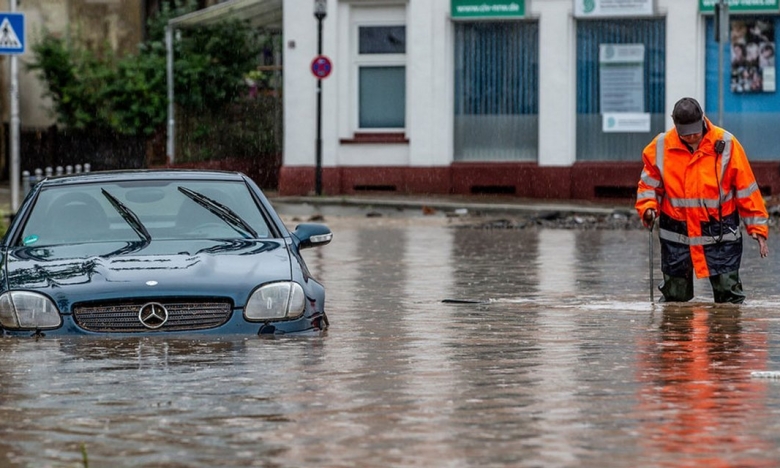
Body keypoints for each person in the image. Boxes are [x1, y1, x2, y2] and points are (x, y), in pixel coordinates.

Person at [636, 97, 769, 303]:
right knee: (675, 298)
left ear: (703, 120)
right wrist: (647, 208)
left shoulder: (727, 144)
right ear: (675, 125)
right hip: (677, 234)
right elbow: (649, 186)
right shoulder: (661, 147)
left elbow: (746, 189)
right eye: (685, 133)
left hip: (720, 232)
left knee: (729, 296)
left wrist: (758, 230)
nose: (691, 137)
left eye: (695, 131)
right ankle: (674, 333)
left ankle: (728, 333)